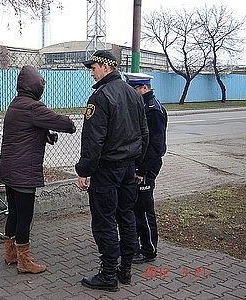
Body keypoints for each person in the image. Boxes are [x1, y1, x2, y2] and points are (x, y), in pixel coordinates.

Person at [76, 50, 149, 291]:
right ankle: (125, 269)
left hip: (107, 170)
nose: (91, 71)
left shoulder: (101, 96)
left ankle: (108, 275)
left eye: (94, 66)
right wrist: (138, 164)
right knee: (126, 215)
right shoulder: (133, 93)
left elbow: (93, 140)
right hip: (128, 168)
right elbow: (143, 133)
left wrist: (84, 170)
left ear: (107, 67)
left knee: (105, 220)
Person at [0, 65, 76, 274]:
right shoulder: (33, 107)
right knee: (25, 216)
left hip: (10, 169)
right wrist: (70, 123)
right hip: (24, 172)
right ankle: (24, 262)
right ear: (36, 86)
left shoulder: (16, 104)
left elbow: (24, 131)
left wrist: (45, 134)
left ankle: (10, 254)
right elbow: (65, 123)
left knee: (14, 212)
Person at [124, 73, 168, 264]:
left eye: (132, 89)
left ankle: (149, 249)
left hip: (145, 167)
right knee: (133, 207)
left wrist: (142, 171)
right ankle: (133, 246)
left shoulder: (153, 110)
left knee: (143, 208)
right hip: (137, 165)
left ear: (143, 88)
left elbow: (156, 146)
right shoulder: (141, 105)